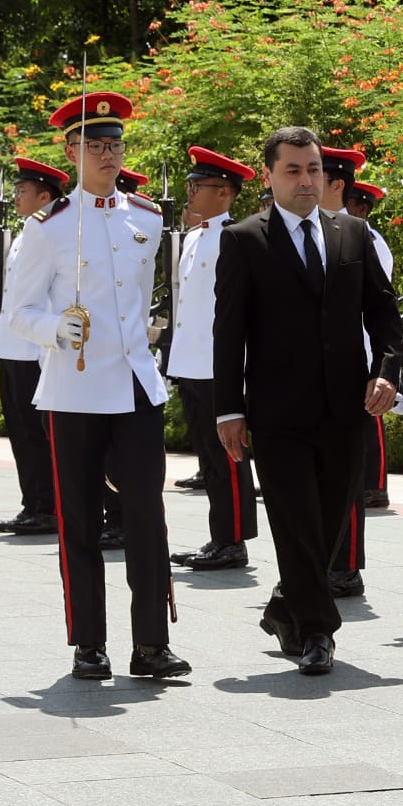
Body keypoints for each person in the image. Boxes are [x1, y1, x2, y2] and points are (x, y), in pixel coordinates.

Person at [4, 92, 191, 681]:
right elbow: (18, 312)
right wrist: (55, 328)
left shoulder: (148, 217)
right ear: (71, 151)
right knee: (80, 520)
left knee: (146, 517)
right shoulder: (46, 228)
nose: (109, 155)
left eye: (116, 145)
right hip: (74, 390)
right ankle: (89, 642)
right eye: (96, 145)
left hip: (135, 385)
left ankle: (151, 645)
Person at [213, 127, 402, 674]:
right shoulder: (244, 239)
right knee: (295, 519)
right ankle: (319, 632)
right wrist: (229, 408)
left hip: (346, 409)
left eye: (314, 169)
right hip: (276, 413)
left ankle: (284, 606)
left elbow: (386, 318)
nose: (306, 180)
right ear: (269, 175)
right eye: (293, 170)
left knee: (328, 521)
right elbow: (228, 332)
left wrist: (386, 373)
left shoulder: (354, 234)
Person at [165, 148, 259, 572]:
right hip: (192, 361)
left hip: (218, 366)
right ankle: (220, 536)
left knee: (228, 456)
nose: (188, 194)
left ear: (223, 192)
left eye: (196, 187)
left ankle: (233, 539)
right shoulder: (196, 236)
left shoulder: (234, 238)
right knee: (208, 458)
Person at [316, 144, 385, 597]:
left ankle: (347, 565)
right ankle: (321, 561)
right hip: (309, 373)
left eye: (316, 175)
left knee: (347, 477)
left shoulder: (364, 237)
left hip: (350, 369)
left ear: (337, 184)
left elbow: (378, 310)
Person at [0, 158, 70, 535]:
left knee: (39, 435)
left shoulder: (55, 231)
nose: (17, 196)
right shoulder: (25, 232)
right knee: (21, 433)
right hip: (13, 347)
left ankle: (49, 506)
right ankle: (32, 503)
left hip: (35, 349)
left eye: (23, 191)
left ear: (44, 195)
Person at [345, 180, 394, 509]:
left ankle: (375, 484)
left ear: (361, 208)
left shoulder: (370, 240)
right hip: (350, 338)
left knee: (370, 414)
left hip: (363, 336)